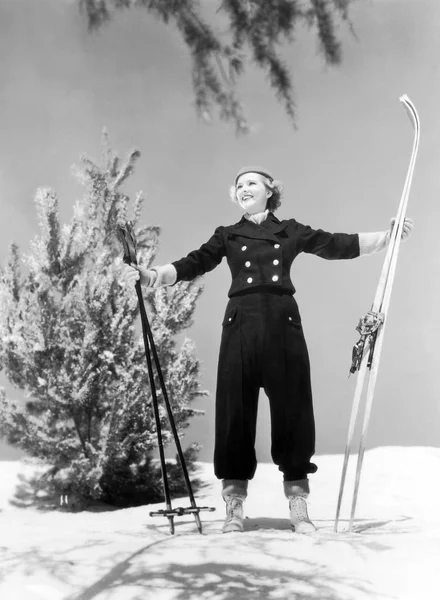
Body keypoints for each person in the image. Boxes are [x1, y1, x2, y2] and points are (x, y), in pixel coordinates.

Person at [124, 166, 413, 534]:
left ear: (269, 191)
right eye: (239, 185)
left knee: (293, 410)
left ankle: (298, 504)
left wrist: (387, 237)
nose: (244, 188)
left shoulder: (289, 230)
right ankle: (234, 506)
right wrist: (151, 276)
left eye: (252, 183)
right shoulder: (227, 235)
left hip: (282, 325)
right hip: (240, 325)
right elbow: (194, 262)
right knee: (234, 412)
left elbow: (334, 244)